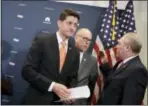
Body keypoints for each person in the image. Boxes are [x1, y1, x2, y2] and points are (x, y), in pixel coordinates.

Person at [21, 9, 80, 105]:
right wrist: (52, 86)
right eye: (69, 23)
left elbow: (73, 78)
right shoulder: (42, 41)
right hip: (36, 100)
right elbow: (27, 70)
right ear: (59, 23)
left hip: (58, 102)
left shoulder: (75, 50)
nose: (72, 28)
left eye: (75, 25)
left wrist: (70, 94)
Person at [96, 32, 148, 105]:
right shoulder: (122, 63)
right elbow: (115, 80)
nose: (116, 46)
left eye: (119, 44)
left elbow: (130, 102)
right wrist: (105, 64)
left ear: (127, 48)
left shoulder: (138, 71)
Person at [72, 28, 98, 105]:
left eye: (89, 40)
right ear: (75, 37)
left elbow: (91, 85)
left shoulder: (92, 61)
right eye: (85, 38)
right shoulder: (64, 53)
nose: (87, 42)